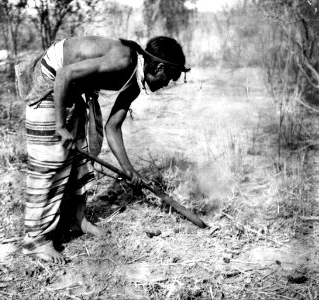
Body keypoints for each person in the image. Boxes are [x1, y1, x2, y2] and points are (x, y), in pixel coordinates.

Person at [15, 35, 190, 263]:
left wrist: (130, 171)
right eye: (169, 78)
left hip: (70, 90)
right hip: (51, 84)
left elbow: (113, 128)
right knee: (51, 162)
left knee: (78, 157)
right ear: (159, 67)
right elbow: (64, 74)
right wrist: (59, 125)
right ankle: (35, 240)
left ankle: (76, 220)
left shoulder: (134, 84)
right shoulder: (124, 59)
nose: (166, 84)